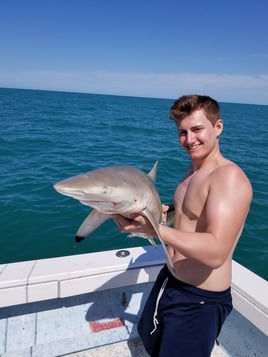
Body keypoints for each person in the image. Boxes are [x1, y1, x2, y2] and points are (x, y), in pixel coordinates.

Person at [114, 95, 252, 356]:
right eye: (182, 132)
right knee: (153, 344)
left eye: (197, 130)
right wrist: (147, 216)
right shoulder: (192, 171)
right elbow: (188, 217)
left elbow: (217, 251)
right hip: (170, 281)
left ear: (218, 127)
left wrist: (155, 230)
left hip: (199, 301)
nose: (189, 140)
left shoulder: (228, 178)